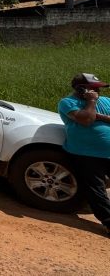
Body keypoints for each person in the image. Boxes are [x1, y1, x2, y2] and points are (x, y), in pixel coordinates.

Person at [58, 73, 110, 235]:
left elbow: (91, 116)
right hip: (87, 153)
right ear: (81, 89)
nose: (98, 92)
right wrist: (92, 102)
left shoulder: (106, 101)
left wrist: (99, 115)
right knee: (97, 189)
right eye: (94, 89)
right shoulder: (67, 103)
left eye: (98, 89)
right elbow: (86, 119)